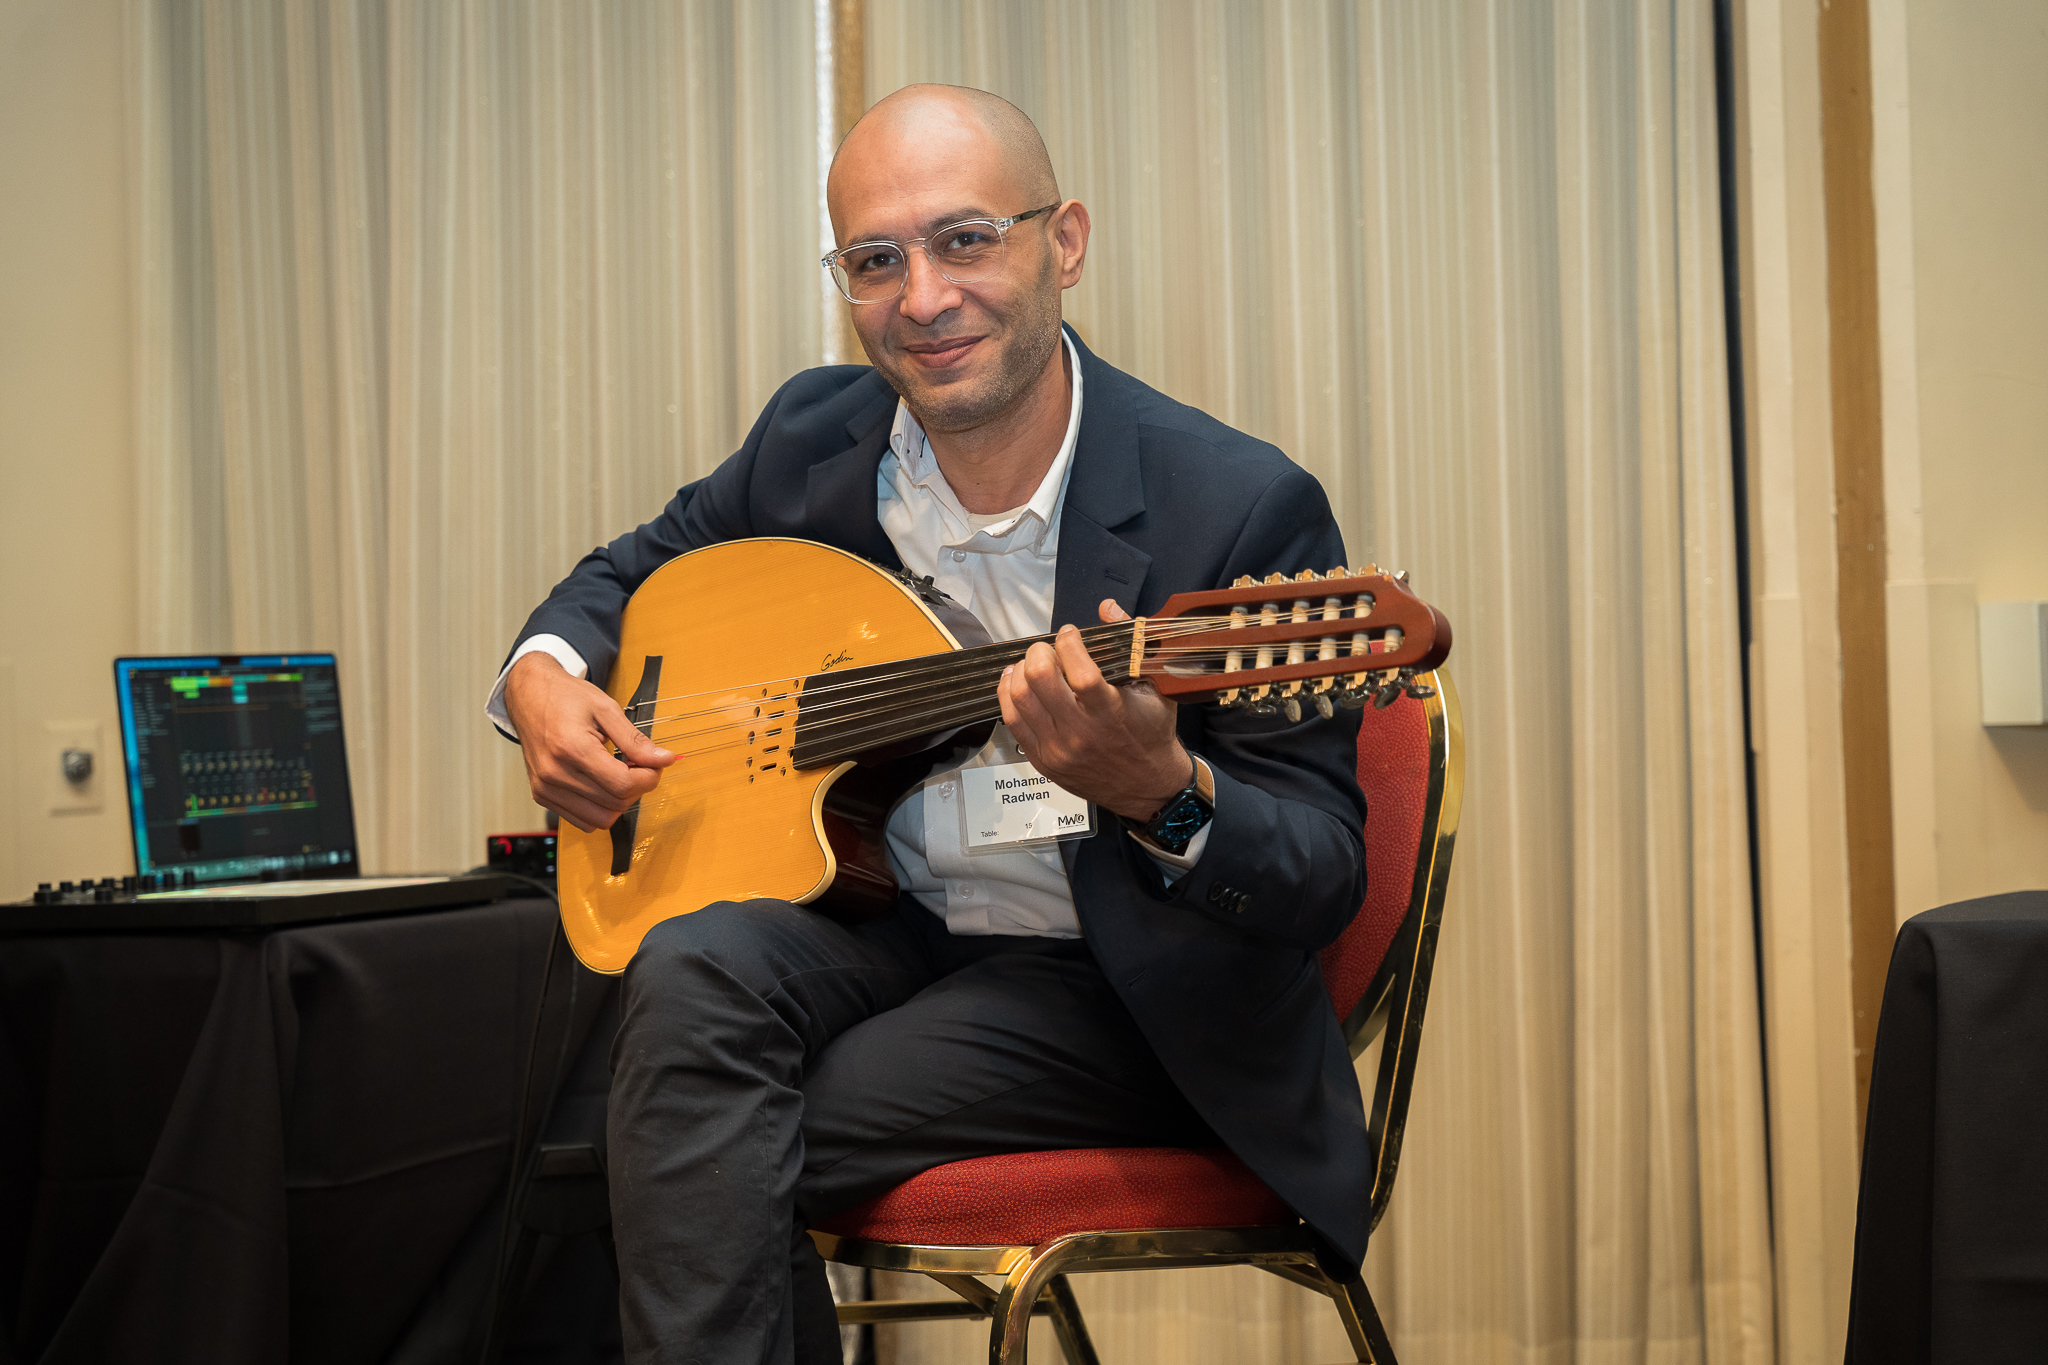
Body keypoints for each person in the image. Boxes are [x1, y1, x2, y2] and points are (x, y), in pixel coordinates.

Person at [489, 84, 1372, 1365]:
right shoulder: (813, 439)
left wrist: (1162, 791)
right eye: (873, 260)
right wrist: (540, 674)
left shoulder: (1233, 506)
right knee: (688, 972)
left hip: (1115, 980)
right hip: (883, 919)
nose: (921, 297)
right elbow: (628, 574)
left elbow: (1323, 874)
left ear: (1063, 242)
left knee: (695, 1138)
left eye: (964, 240)